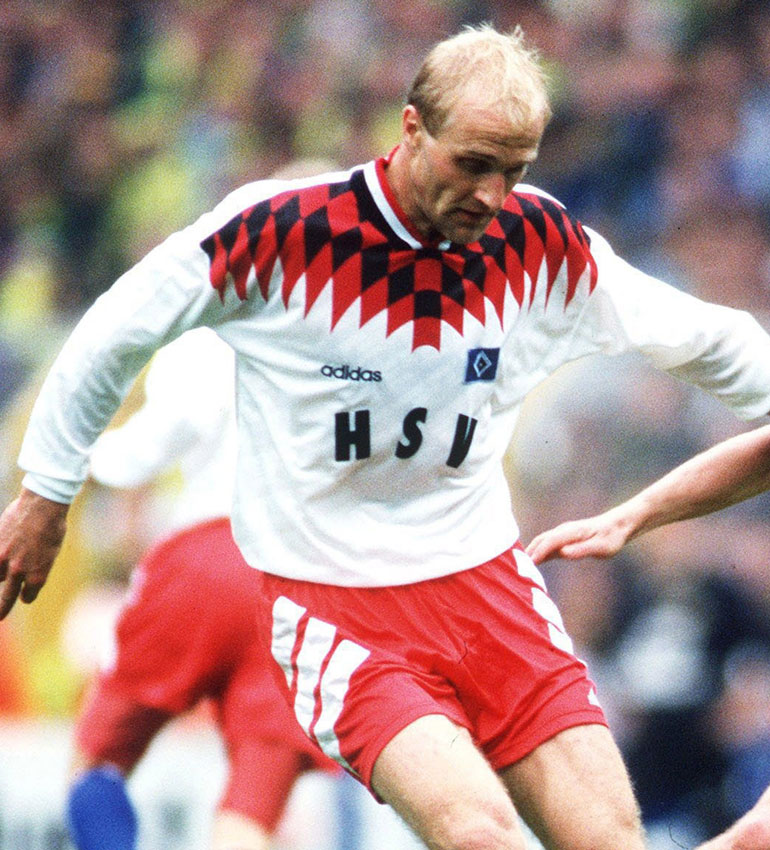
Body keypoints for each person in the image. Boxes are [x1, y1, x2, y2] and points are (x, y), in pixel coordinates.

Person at [3, 22, 770, 850]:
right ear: (411, 128)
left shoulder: (538, 240)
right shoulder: (283, 231)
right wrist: (46, 492)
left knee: (611, 842)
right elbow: (117, 327)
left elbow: (706, 338)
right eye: (472, 163)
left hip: (487, 586)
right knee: (478, 833)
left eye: (513, 170)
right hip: (336, 605)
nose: (491, 194)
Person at [66, 329, 337, 850]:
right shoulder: (326, 330)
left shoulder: (206, 332)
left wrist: (86, 457)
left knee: (96, 761)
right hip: (296, 577)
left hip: (205, 555)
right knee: (251, 812)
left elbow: (162, 434)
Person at [524, 424, 770, 850]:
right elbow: (592, 655)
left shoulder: (723, 597)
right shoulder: (624, 589)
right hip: (636, 765)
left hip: (704, 773)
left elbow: (750, 677)